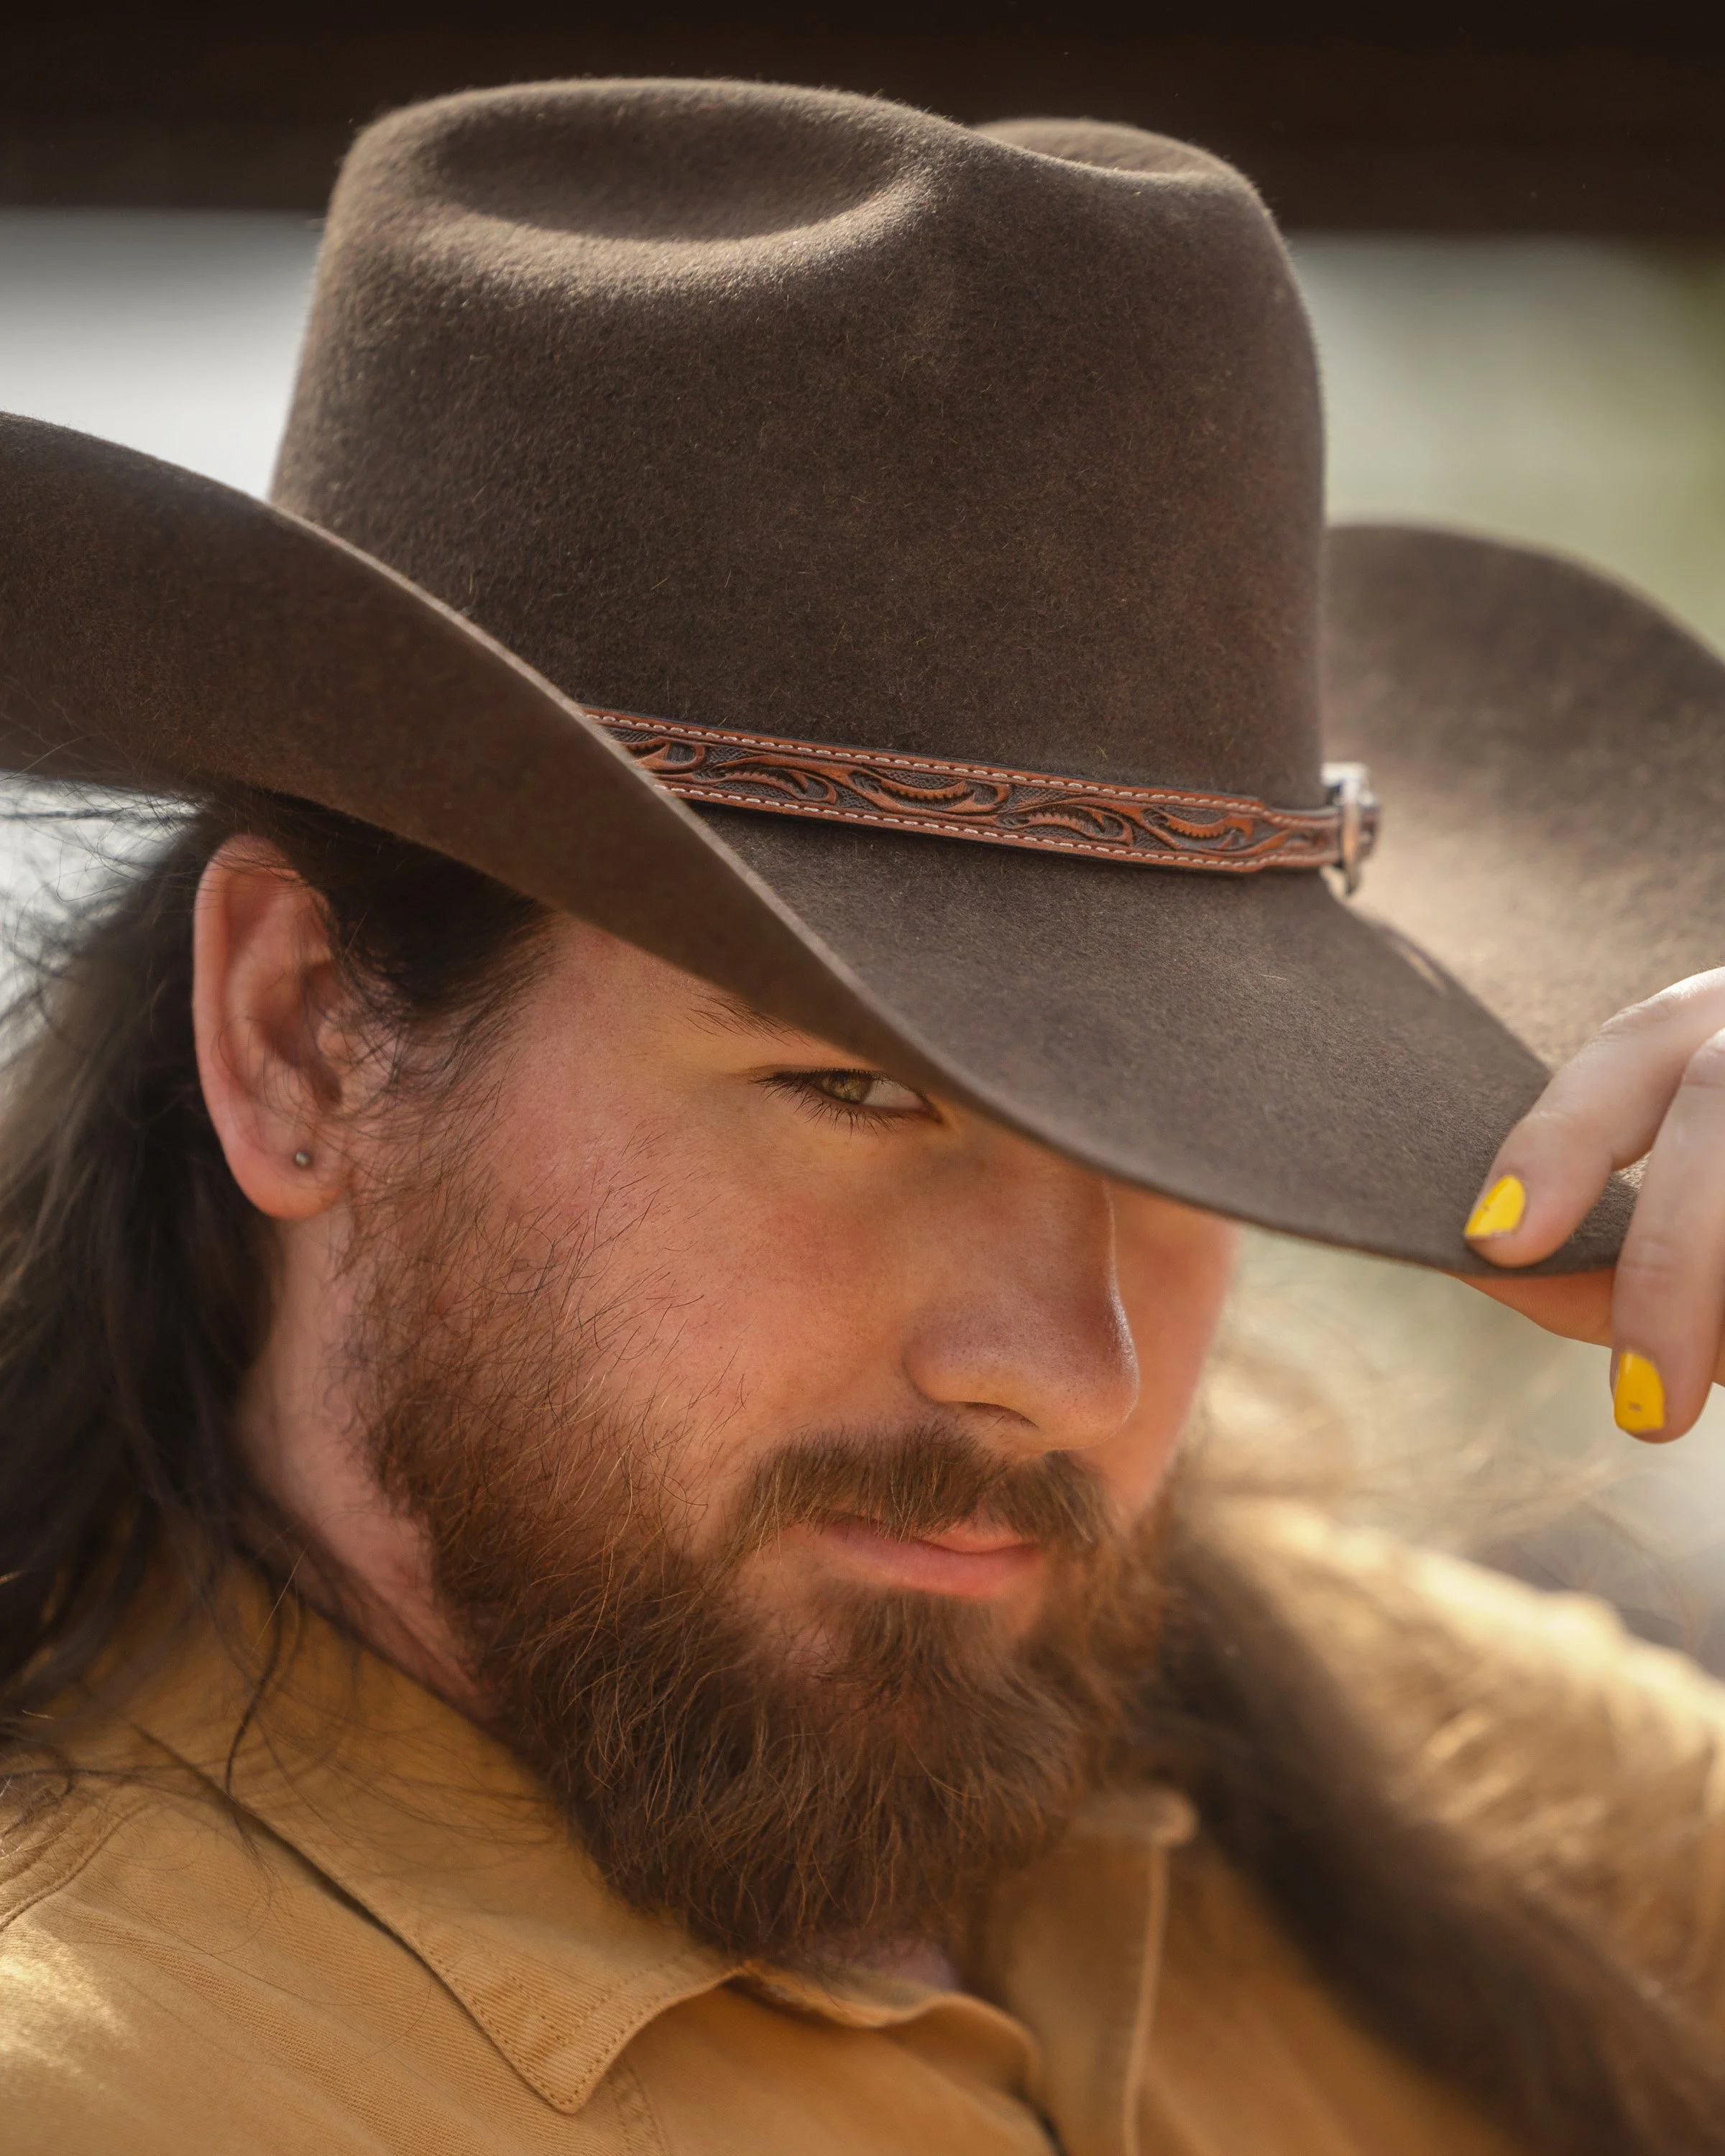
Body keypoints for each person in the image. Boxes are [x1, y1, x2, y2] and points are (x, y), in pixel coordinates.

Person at [2, 75, 1725, 2156]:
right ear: (299, 1038)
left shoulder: (1397, 1766)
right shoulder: (109, 2086)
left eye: (1195, 1145)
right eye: (854, 1090)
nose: (1067, 1373)